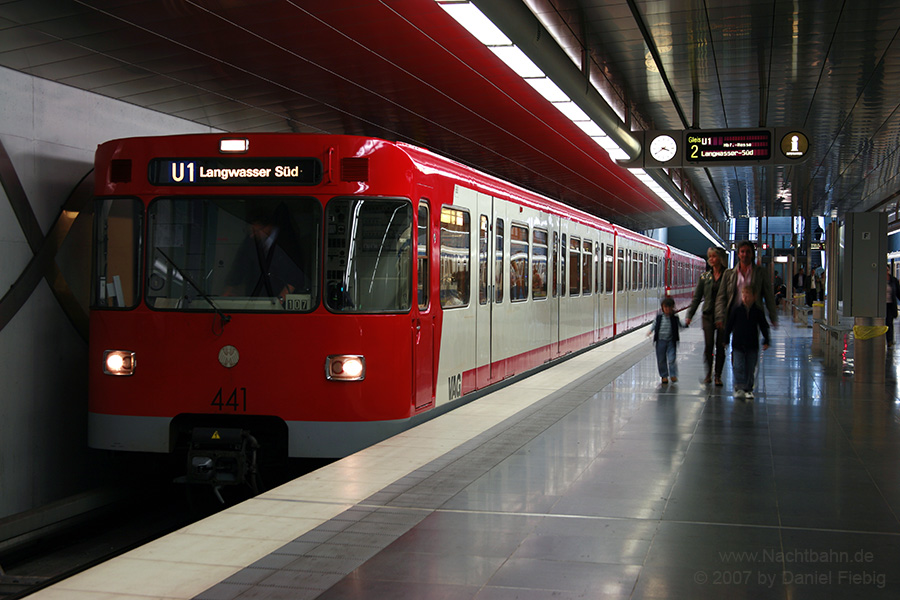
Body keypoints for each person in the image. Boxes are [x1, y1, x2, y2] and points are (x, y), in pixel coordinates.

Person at [224, 206, 308, 303]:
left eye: (255, 231)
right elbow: (238, 269)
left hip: (281, 303)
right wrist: (229, 290)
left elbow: (295, 278)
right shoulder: (250, 242)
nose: (252, 235)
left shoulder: (288, 243)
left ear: (268, 227)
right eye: (250, 232)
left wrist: (278, 302)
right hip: (255, 300)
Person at [686, 246, 728, 386]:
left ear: (720, 259)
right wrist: (690, 315)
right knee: (709, 345)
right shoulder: (705, 277)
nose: (711, 259)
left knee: (720, 346)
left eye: (714, 256)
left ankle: (718, 376)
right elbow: (697, 297)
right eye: (710, 256)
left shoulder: (728, 276)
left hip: (723, 316)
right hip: (708, 315)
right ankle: (708, 373)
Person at [715, 240, 778, 332]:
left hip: (753, 315)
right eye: (742, 251)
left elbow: (769, 296)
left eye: (748, 251)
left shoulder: (761, 273)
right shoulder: (729, 274)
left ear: (752, 254)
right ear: (738, 254)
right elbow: (721, 296)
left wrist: (773, 316)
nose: (745, 254)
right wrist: (720, 316)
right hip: (735, 314)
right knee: (736, 343)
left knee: (751, 343)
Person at [726, 285, 771, 401]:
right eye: (743, 295)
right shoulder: (736, 310)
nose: (745, 297)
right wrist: (725, 339)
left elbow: (763, 326)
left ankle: (748, 389)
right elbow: (729, 325)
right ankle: (739, 387)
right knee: (738, 366)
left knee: (751, 368)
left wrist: (766, 339)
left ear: (754, 297)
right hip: (738, 344)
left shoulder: (757, 311)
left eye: (748, 295)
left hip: (752, 344)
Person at [648, 296, 684, 385]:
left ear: (673, 308)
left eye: (669, 307)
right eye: (665, 307)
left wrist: (686, 324)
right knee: (661, 359)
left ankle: (673, 374)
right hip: (660, 341)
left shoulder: (675, 318)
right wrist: (650, 330)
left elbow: (680, 325)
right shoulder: (659, 317)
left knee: (672, 359)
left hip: (671, 341)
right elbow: (654, 324)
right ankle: (664, 376)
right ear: (662, 308)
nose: (667, 309)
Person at [886, 266, 900, 347]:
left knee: (889, 322)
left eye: (887, 270)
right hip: (881, 305)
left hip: (890, 304)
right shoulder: (878, 279)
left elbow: (898, 292)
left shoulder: (893, 280)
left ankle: (890, 341)